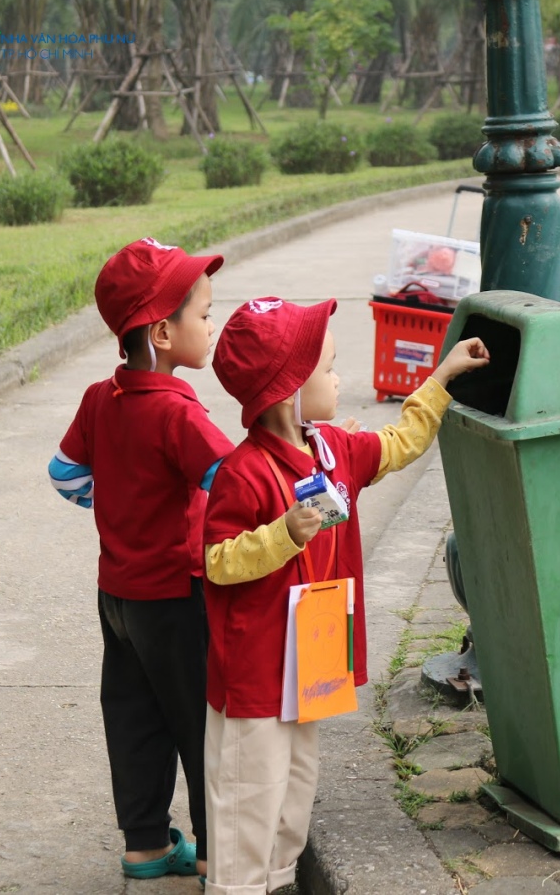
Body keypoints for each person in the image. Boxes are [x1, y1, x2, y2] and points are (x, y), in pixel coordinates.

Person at [201, 297, 489, 894]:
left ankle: (278, 882)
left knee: (294, 792)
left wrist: (441, 377)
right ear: (286, 391)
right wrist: (284, 534)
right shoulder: (243, 472)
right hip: (254, 678)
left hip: (310, 666)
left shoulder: (333, 449)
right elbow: (217, 562)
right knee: (247, 802)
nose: (340, 378)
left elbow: (400, 442)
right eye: (329, 368)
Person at [48, 237, 234, 884]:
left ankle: (146, 846)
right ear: (162, 331)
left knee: (133, 717)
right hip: (176, 598)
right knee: (200, 725)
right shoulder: (179, 411)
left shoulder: (102, 398)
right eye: (204, 314)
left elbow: (64, 472)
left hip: (118, 598)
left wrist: (120, 500)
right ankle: (217, 855)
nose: (212, 325)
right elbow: (232, 481)